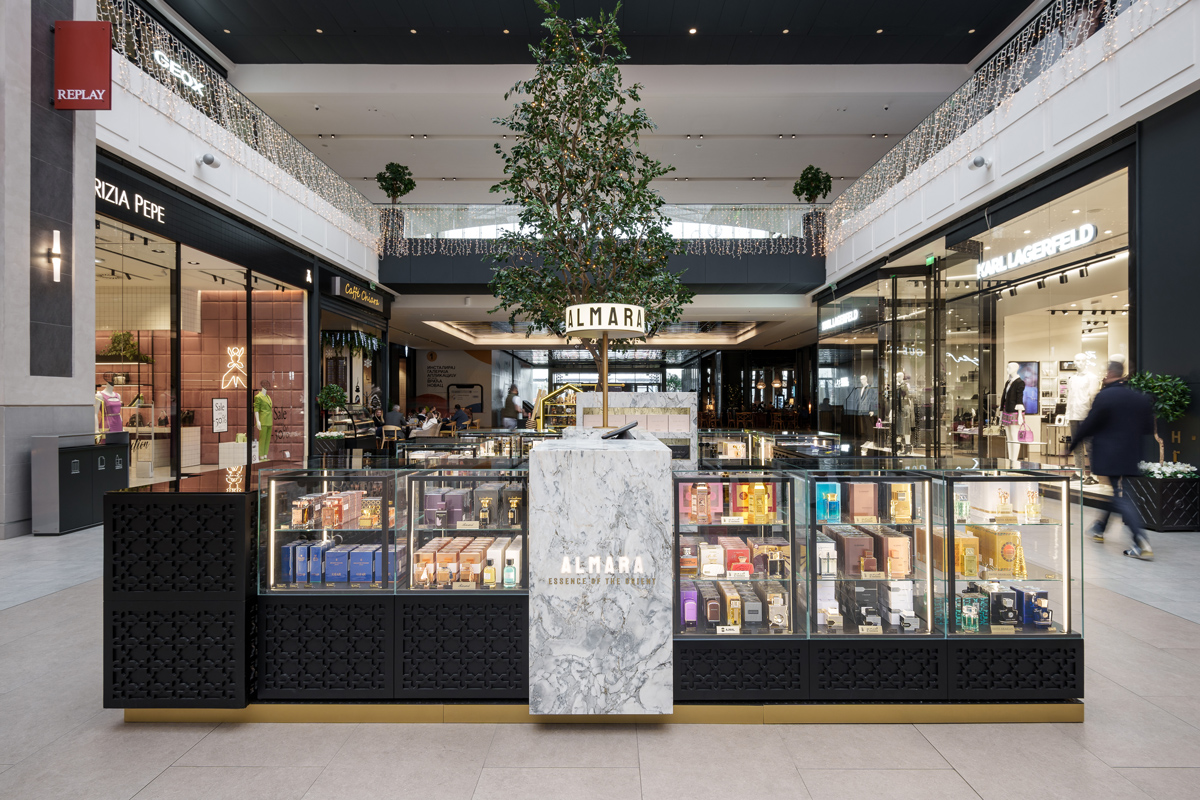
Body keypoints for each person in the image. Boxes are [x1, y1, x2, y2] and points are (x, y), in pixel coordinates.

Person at [1069, 358, 1155, 560]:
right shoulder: (1137, 397)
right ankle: (1099, 527)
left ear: (1109, 374)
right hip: (1131, 454)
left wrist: (1072, 446)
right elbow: (1148, 428)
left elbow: (1089, 424)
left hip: (1110, 454)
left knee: (1120, 496)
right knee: (1117, 491)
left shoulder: (1105, 396)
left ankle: (1141, 540)